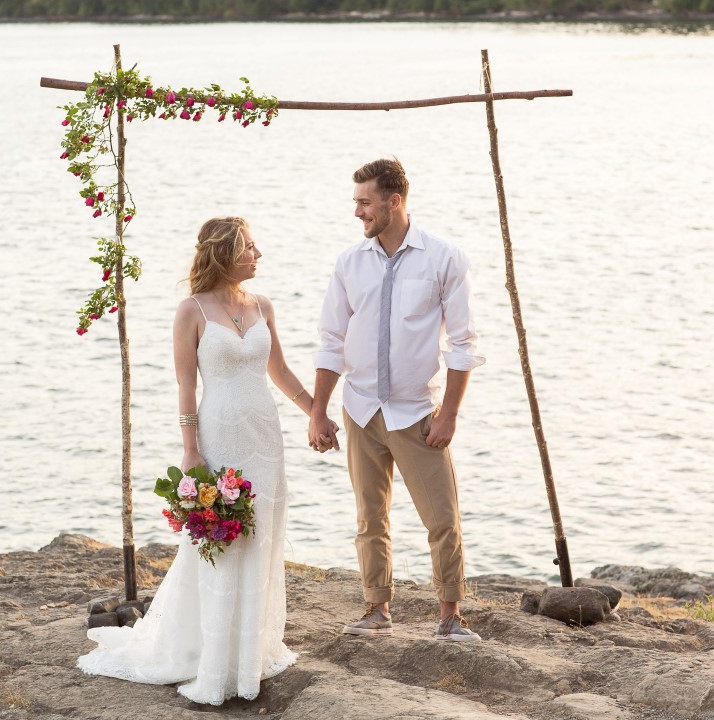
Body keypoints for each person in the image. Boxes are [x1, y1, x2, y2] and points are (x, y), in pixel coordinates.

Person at [78, 216, 337, 704]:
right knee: (222, 540)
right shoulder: (191, 310)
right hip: (219, 436)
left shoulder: (262, 305)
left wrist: (315, 413)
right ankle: (214, 659)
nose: (258, 255)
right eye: (250, 248)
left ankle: (249, 652)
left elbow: (278, 369)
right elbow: (185, 385)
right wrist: (191, 449)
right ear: (225, 253)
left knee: (260, 535)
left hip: (264, 434)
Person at [308, 158, 484, 642]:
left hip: (416, 414)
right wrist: (319, 411)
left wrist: (448, 414)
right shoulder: (349, 262)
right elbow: (331, 340)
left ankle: (449, 617)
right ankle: (377, 609)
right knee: (369, 517)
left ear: (394, 201)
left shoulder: (444, 258)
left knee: (442, 518)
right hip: (361, 408)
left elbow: (464, 344)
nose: (358, 212)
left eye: (365, 202)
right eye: (356, 202)